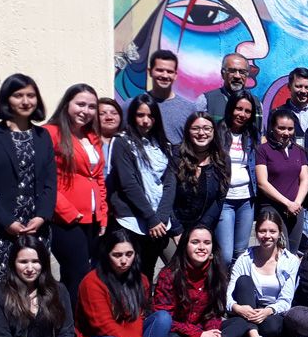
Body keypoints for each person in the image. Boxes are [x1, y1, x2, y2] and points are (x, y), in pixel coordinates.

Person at [0, 73, 57, 282]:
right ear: (6, 99)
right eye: (18, 95)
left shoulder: (43, 136)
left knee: (37, 284)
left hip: (37, 226)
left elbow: (50, 181)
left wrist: (42, 216)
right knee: (5, 285)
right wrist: (7, 221)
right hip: (2, 228)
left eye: (31, 95)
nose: (26, 101)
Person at [75, 227, 173, 337]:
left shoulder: (141, 279)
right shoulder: (92, 282)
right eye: (117, 255)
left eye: (129, 254)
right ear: (106, 255)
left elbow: (139, 316)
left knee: (163, 318)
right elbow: (102, 325)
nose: (124, 261)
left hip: (129, 336)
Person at [154, 225, 250, 337]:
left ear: (212, 247)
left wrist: (212, 331)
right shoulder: (169, 275)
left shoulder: (216, 271)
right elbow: (164, 319)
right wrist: (199, 335)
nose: (201, 247)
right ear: (185, 245)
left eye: (207, 243)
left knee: (240, 323)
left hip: (202, 328)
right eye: (195, 242)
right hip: (178, 332)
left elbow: (214, 312)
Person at [44, 83, 107, 306]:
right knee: (78, 274)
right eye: (80, 104)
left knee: (82, 276)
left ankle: (69, 317)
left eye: (91, 106)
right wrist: (68, 212)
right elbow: (46, 179)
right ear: (67, 104)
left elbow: (98, 178)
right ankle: (72, 322)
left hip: (92, 219)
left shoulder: (92, 136)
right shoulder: (51, 133)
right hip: (66, 220)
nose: (85, 111)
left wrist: (102, 214)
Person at [107, 93, 175, 279]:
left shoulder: (163, 144)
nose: (145, 121)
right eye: (140, 115)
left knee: (150, 270)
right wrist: (150, 218)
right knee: (131, 273)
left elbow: (170, 183)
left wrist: (160, 217)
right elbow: (128, 183)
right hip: (133, 220)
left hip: (159, 221)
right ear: (132, 116)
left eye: (150, 116)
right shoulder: (122, 142)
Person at [225, 207, 301, 337]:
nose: (267, 236)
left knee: (272, 328)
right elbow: (229, 294)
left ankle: (243, 330)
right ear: (256, 232)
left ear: (280, 233)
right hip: (248, 306)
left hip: (273, 312)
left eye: (272, 231)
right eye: (262, 231)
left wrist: (268, 311)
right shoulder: (245, 258)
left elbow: (287, 299)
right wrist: (237, 308)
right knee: (243, 280)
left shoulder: (290, 261)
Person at [256, 107, 308, 252]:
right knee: (280, 251)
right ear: (272, 128)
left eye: (290, 129)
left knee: (292, 253)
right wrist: (287, 203)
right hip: (273, 209)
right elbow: (262, 183)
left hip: (295, 210)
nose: (286, 133)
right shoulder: (263, 150)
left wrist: (297, 203)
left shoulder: (298, 150)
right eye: (281, 128)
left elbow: (304, 179)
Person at [170, 112, 228, 243]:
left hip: (204, 229)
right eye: (195, 128)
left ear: (214, 131)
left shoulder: (222, 160)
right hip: (174, 228)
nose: (201, 133)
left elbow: (219, 199)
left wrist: (200, 230)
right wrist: (176, 230)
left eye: (207, 128)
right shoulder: (176, 156)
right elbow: (167, 195)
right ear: (187, 131)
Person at [216, 91, 260, 262]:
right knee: (226, 255)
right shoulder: (218, 131)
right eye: (238, 109)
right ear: (230, 108)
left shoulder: (252, 134)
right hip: (225, 200)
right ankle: (221, 278)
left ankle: (235, 279)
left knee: (241, 252)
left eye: (247, 111)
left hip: (246, 200)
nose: (242, 114)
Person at [147, 48, 197, 146]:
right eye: (160, 70)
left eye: (169, 72)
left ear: (175, 75)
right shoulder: (134, 105)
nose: (165, 75)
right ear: (150, 72)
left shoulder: (189, 108)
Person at [194, 51, 259, 124]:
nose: (237, 76)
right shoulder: (206, 100)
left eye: (242, 72)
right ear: (223, 74)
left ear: (247, 75)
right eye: (232, 71)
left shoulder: (256, 104)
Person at [96, 98, 123, 177]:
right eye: (102, 114)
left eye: (114, 113)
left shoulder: (128, 143)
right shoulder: (89, 143)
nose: (109, 117)